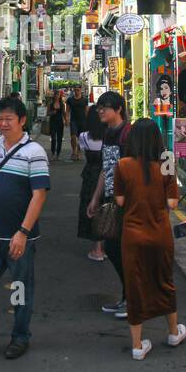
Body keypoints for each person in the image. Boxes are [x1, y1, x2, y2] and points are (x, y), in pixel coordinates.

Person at [0, 95, 50, 359]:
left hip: (21, 240)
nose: (3, 123)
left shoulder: (35, 152)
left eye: (8, 119)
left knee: (19, 290)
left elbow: (39, 195)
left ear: (22, 121)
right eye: (0, 118)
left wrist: (23, 232)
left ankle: (19, 336)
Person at [114, 120, 186, 360]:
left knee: (135, 285)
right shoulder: (166, 163)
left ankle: (137, 345)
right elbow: (173, 203)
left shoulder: (123, 165)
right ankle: (174, 332)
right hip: (160, 233)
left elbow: (120, 202)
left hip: (133, 234)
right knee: (164, 280)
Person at [87, 91, 132, 317]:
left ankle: (131, 300)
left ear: (119, 109)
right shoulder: (108, 133)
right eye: (99, 107)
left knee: (121, 250)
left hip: (127, 203)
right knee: (113, 248)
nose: (100, 111)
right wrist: (96, 197)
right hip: (111, 200)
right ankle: (127, 297)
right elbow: (107, 168)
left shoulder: (128, 134)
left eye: (105, 107)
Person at [77, 102, 106, 260]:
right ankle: (103, 247)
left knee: (91, 208)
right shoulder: (109, 135)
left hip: (90, 176)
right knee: (105, 208)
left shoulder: (84, 137)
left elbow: (83, 152)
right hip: (107, 175)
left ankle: (97, 249)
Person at [67, 87, 88, 162]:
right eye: (75, 90)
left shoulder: (84, 100)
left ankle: (78, 152)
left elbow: (86, 111)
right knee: (73, 136)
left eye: (78, 90)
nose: (76, 91)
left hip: (83, 121)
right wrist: (66, 119)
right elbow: (67, 110)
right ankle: (74, 151)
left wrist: (88, 121)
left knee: (81, 138)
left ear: (81, 90)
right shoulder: (70, 100)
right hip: (73, 121)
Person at [48, 90, 66, 160]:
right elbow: (47, 113)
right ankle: (53, 153)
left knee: (59, 139)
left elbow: (64, 113)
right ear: (54, 96)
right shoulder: (50, 103)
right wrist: (52, 112)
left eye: (58, 95)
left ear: (59, 96)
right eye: (55, 95)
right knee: (53, 138)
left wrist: (66, 121)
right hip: (52, 122)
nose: (56, 96)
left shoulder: (62, 104)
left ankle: (58, 154)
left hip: (60, 123)